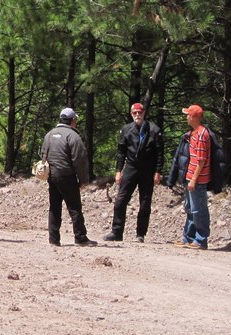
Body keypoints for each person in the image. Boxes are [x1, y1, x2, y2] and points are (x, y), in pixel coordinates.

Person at [103, 103, 163, 243]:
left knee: (145, 202)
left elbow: (160, 153)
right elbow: (121, 152)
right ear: (131, 114)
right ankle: (116, 232)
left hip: (148, 169)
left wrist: (158, 171)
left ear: (144, 113)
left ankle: (140, 234)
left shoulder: (154, 130)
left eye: (140, 112)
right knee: (121, 200)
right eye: (135, 113)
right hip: (131, 167)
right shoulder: (126, 129)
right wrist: (118, 171)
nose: (137, 115)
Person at [41, 108, 97, 247]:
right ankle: (81, 238)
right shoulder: (73, 136)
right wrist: (83, 180)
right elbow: (80, 160)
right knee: (74, 207)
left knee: (54, 207)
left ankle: (54, 239)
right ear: (72, 120)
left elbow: (43, 154)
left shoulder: (49, 134)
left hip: (52, 176)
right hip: (66, 176)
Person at [173, 104, 211, 250]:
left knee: (198, 209)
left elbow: (201, 160)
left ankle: (201, 240)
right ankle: (188, 238)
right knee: (189, 208)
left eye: (188, 115)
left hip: (198, 180)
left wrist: (194, 179)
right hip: (190, 177)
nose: (186, 117)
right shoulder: (194, 133)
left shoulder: (202, 134)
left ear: (194, 117)